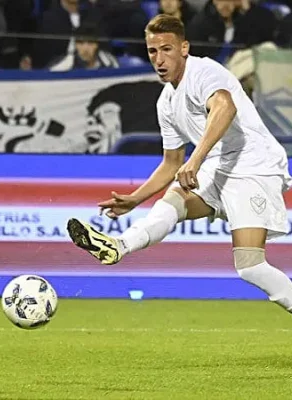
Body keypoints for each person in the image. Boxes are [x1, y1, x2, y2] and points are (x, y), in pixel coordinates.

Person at [67, 14, 292, 314]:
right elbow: (172, 162)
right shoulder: (166, 102)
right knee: (173, 202)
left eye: (167, 49)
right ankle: (118, 246)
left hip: (252, 164)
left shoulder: (204, 71)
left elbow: (225, 107)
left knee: (250, 266)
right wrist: (136, 198)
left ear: (184, 47)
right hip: (216, 166)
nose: (159, 59)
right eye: (152, 51)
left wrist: (195, 161)